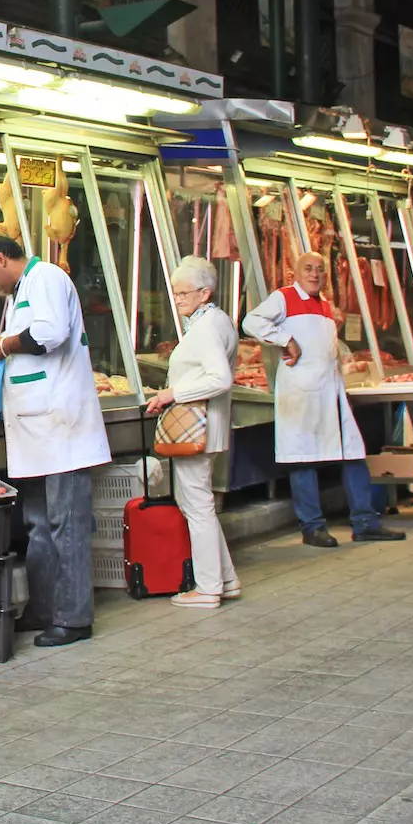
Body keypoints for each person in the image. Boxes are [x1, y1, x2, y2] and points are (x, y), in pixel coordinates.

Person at [0, 233, 109, 648]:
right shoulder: (19, 292)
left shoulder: (45, 277)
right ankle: (43, 609)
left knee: (67, 526)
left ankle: (74, 618)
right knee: (38, 526)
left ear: (0, 258)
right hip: (37, 431)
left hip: (61, 427)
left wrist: (2, 345)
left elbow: (50, 334)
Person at [243, 252, 405, 547]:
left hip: (331, 393)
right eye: (309, 269)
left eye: (320, 270)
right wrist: (284, 340)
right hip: (302, 394)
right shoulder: (284, 297)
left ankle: (365, 522)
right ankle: (312, 527)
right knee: (303, 459)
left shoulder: (326, 305)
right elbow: (250, 321)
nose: (315, 274)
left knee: (353, 454)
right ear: (294, 272)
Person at [144, 257, 241, 608]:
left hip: (197, 428)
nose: (178, 298)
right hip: (207, 427)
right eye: (175, 291)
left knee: (197, 505)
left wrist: (172, 393)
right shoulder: (216, 321)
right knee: (200, 504)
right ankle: (225, 579)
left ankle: (208, 588)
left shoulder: (206, 328)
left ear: (205, 292)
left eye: (183, 292)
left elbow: (219, 378)